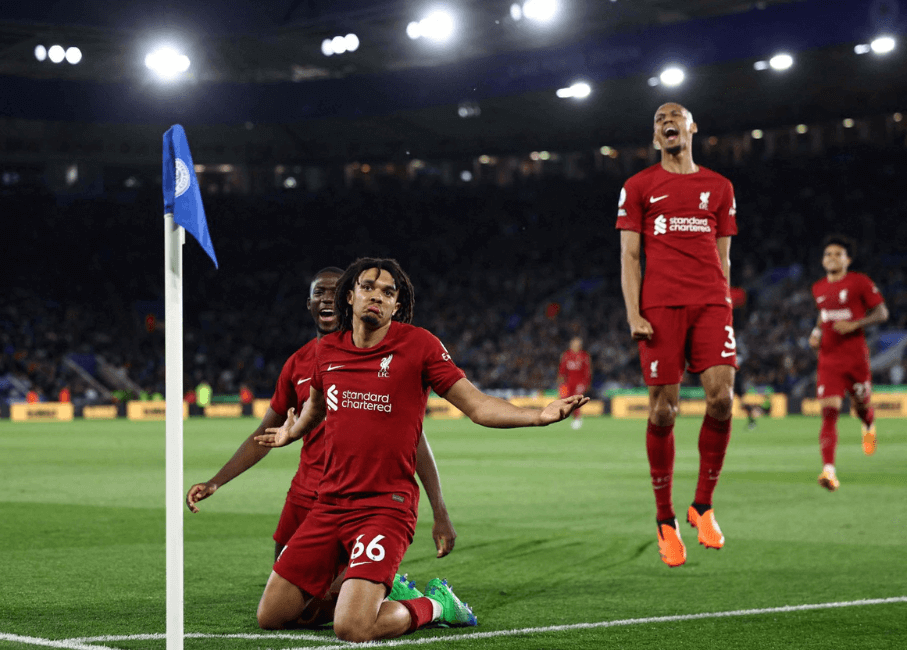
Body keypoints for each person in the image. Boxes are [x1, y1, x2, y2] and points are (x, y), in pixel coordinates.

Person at [254, 258, 588, 642]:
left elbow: (477, 405)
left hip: (383, 507)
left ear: (397, 305)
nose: (376, 296)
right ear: (350, 296)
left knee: (353, 628)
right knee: (272, 615)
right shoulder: (327, 351)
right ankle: (372, 591)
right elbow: (315, 406)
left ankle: (435, 605)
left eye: (388, 292)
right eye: (368, 287)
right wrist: (289, 433)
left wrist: (537, 416)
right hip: (329, 503)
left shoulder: (419, 346)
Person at [186, 266, 459, 626]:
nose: (326, 298)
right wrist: (217, 481)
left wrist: (440, 509)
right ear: (310, 303)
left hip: (364, 498)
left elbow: (414, 441)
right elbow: (265, 434)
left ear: (346, 298)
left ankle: (403, 599)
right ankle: (385, 594)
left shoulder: (380, 354)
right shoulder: (299, 362)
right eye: (319, 292)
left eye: (333, 291)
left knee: (349, 614)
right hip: (308, 498)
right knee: (292, 614)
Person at [617, 103, 738, 567]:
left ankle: (702, 505)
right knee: (664, 411)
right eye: (658, 119)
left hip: (711, 303)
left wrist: (725, 305)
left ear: (692, 127)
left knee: (722, 399)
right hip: (661, 306)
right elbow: (630, 257)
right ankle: (665, 519)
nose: (667, 121)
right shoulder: (638, 186)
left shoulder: (720, 187)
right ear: (655, 137)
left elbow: (724, 255)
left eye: (676, 116)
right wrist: (633, 311)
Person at [808, 235, 888, 491]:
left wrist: (855, 324)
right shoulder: (818, 288)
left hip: (855, 359)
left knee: (861, 405)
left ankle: (868, 425)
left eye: (837, 254)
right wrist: (817, 332)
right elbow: (823, 316)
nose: (832, 257)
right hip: (828, 360)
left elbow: (882, 313)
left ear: (847, 259)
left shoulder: (859, 282)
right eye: (828, 254)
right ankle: (829, 471)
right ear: (822, 260)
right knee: (829, 412)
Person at [557, 336, 591, 429]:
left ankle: (577, 418)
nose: (576, 345)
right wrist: (560, 382)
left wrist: (586, 383)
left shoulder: (584, 356)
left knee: (576, 400)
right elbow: (562, 370)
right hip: (568, 383)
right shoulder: (566, 355)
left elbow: (587, 371)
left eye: (578, 344)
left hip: (580, 383)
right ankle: (564, 416)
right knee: (565, 399)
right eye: (574, 343)